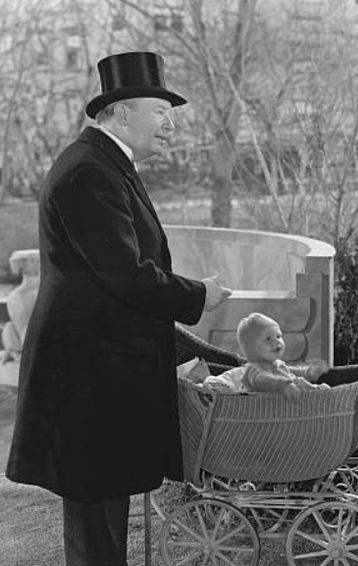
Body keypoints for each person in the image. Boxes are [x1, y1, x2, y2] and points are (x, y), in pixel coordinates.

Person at [5, 51, 231, 566]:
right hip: (87, 373)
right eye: (160, 110)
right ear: (123, 112)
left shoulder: (102, 163)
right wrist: (199, 294)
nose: (171, 122)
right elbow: (125, 275)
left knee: (102, 509)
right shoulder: (90, 171)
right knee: (96, 516)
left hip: (96, 367)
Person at [197, 312, 330, 401]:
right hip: (260, 408)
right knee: (295, 384)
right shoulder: (252, 370)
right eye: (268, 339)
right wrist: (282, 385)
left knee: (299, 381)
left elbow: (290, 370)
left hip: (284, 402)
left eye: (278, 336)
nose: (276, 341)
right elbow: (263, 381)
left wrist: (307, 371)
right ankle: (314, 395)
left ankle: (315, 392)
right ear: (250, 348)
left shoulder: (277, 364)